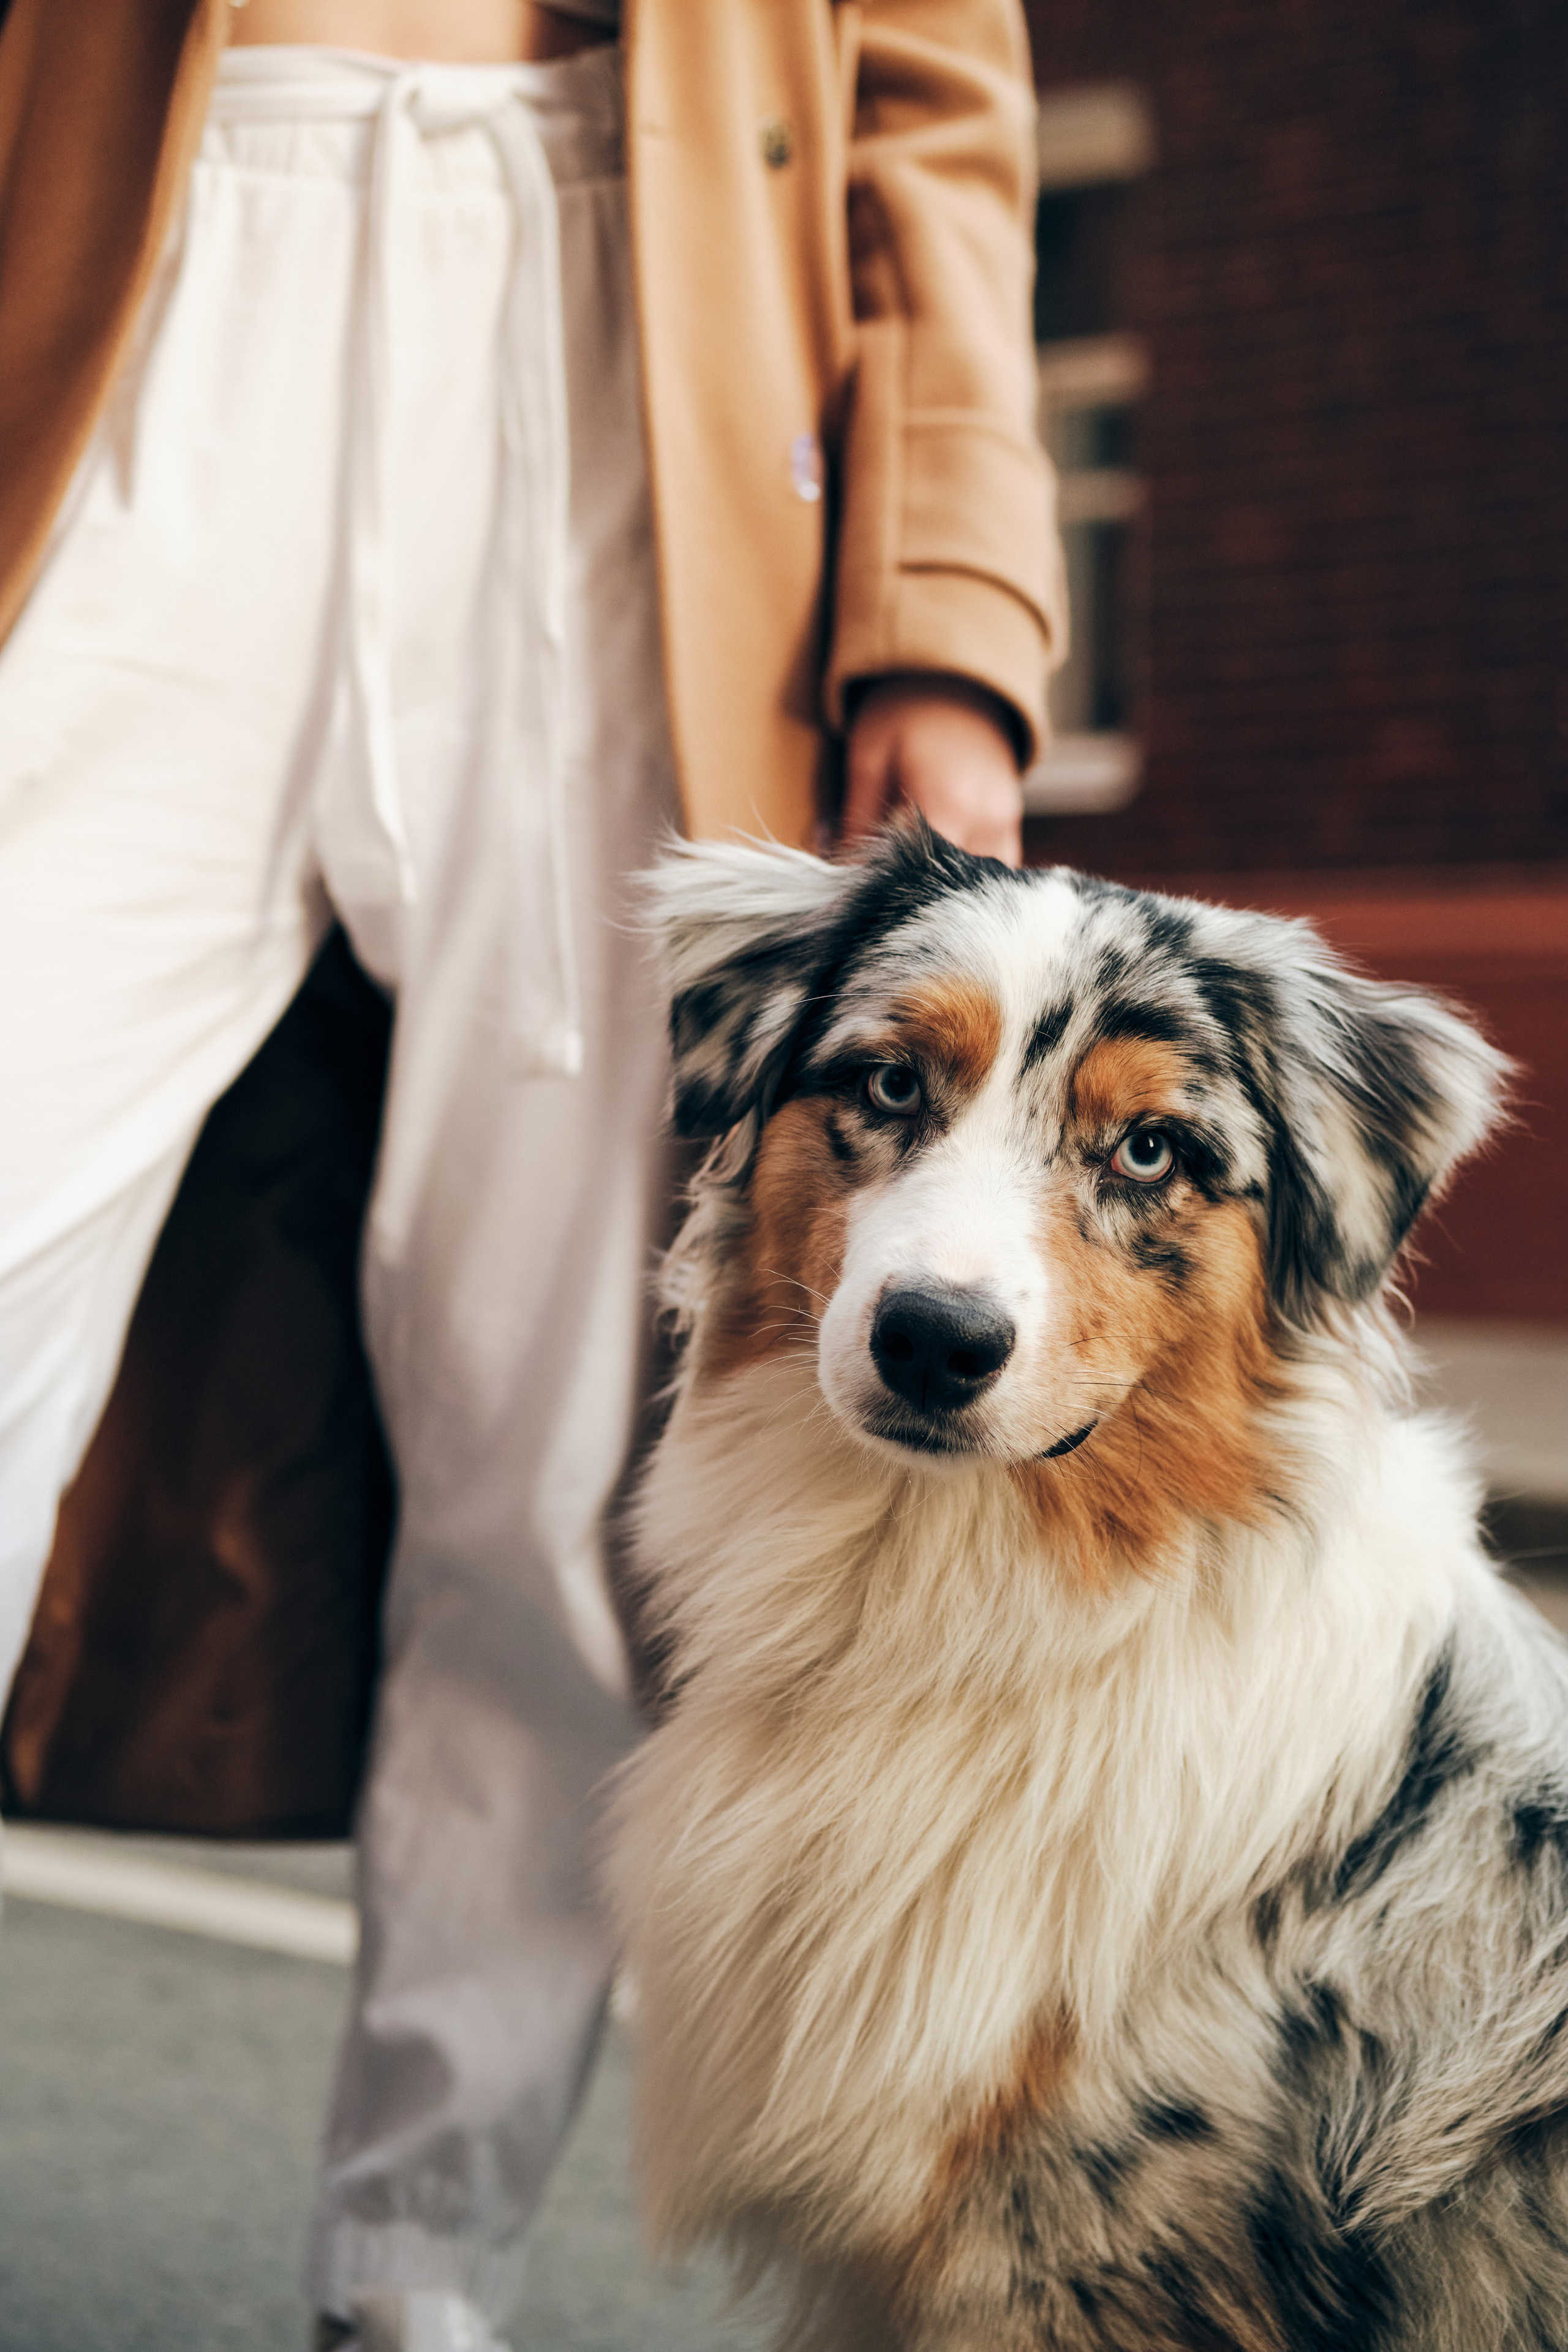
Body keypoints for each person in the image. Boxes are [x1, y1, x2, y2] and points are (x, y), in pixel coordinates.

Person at [0, 1, 1063, 2345]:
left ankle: (412, 2261)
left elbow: (931, 88)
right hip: (133, 285)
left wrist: (950, 619)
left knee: (566, 1452)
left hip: (637, 346)